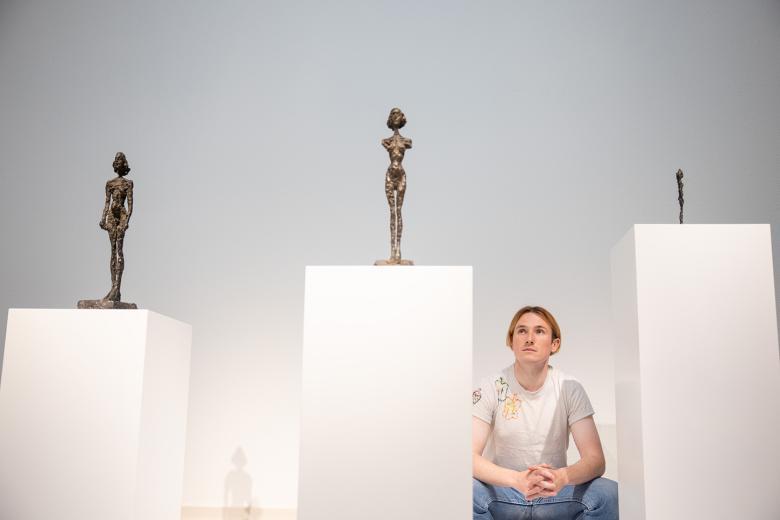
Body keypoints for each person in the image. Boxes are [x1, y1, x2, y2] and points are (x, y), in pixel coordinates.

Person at [472, 306, 618, 519]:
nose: (529, 338)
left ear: (554, 344)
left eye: (539, 331)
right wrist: (516, 480)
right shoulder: (491, 386)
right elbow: (469, 457)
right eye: (522, 331)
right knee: (463, 491)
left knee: (609, 494)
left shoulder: (569, 387)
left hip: (554, 495)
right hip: (504, 494)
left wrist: (561, 477)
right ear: (511, 341)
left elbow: (595, 460)